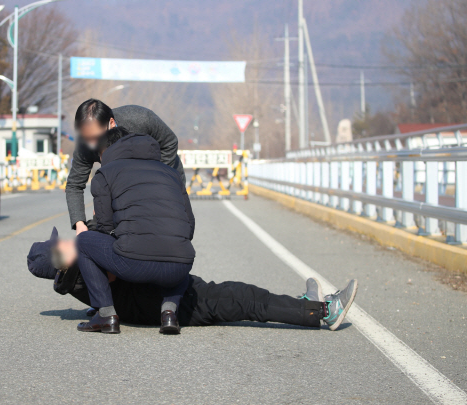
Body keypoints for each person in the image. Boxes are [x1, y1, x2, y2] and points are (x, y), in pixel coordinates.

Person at [27, 226, 359, 332]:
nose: (71, 238)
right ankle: (321, 313)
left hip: (171, 293)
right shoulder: (87, 268)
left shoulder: (80, 281)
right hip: (179, 302)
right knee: (247, 299)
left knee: (245, 296)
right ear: (60, 257)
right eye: (63, 243)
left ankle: (302, 304)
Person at [74, 127, 195, 334]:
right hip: (179, 269)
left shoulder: (105, 174)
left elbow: (104, 228)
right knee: (177, 248)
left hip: (133, 265)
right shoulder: (172, 173)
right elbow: (189, 225)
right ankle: (169, 312)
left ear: (107, 151)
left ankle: (105, 314)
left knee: (84, 241)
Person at [66, 99, 186, 235]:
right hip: (119, 182)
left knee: (161, 228)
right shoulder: (85, 145)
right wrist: (79, 223)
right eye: (87, 139)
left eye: (96, 138)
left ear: (111, 123)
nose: (92, 145)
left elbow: (170, 142)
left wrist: (154, 181)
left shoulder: (140, 118)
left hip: (163, 175)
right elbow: (74, 185)